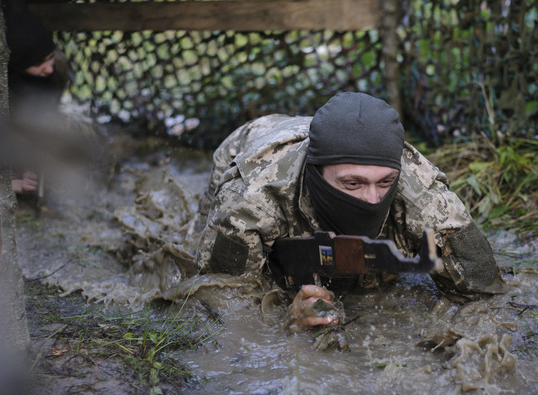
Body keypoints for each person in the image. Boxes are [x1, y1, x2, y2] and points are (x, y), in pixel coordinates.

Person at [195, 92, 507, 329]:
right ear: (317, 173)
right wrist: (282, 316)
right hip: (251, 142)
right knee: (205, 252)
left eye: (384, 182)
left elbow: (485, 298)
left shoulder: (428, 203)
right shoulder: (248, 201)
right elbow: (221, 305)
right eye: (352, 184)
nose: (372, 200)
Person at [3, 11, 71, 196]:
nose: (49, 68)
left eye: (49, 57)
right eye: (39, 62)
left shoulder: (54, 69)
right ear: (17, 62)